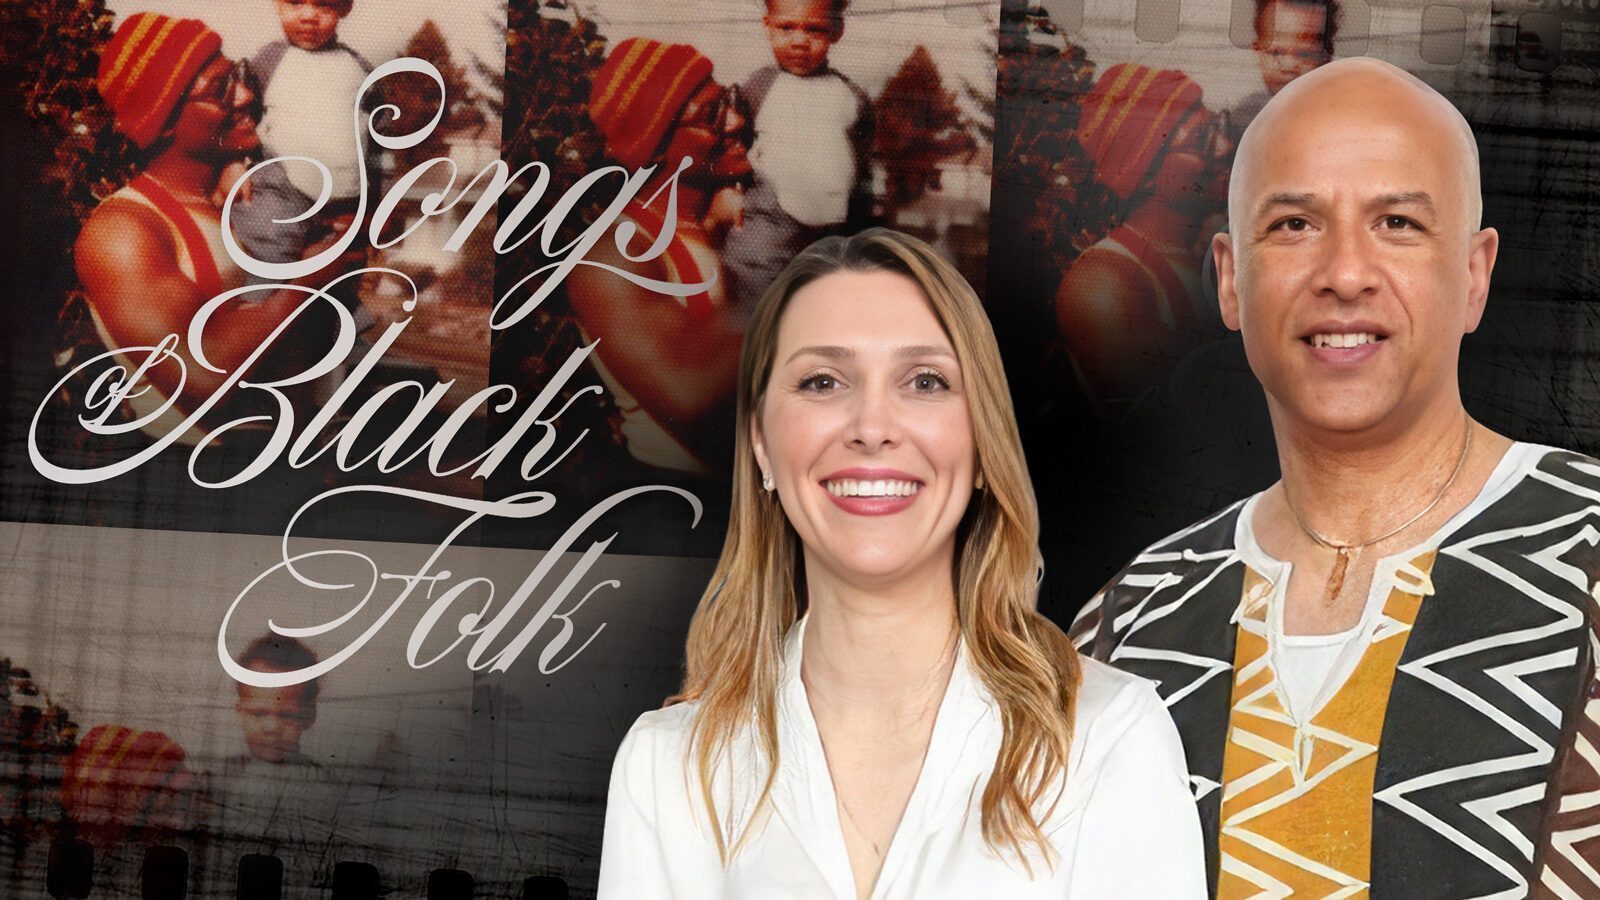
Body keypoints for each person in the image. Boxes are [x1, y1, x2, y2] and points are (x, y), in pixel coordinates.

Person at [1070, 58, 1600, 897]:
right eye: (1294, 225)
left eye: (1397, 222)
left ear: (1474, 276)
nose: (1346, 273)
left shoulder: (1588, 550)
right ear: (1229, 280)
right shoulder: (1127, 626)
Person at [597, 229, 1206, 898]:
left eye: (924, 381)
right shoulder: (666, 767)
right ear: (762, 444)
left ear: (983, 445)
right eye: (822, 381)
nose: (872, 426)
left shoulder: (1108, 736)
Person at [75, 13, 364, 443]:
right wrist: (308, 281)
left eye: (239, 76)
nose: (246, 95)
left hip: (291, 461)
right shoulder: (124, 229)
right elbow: (201, 375)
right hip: (194, 471)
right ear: (163, 121)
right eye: (220, 89)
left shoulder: (260, 199)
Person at [568, 37, 755, 473]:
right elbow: (690, 401)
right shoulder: (617, 256)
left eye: (728, 101)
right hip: (673, 498)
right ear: (652, 147)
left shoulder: (708, 234)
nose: (737, 120)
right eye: (711, 115)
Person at [1053, 64, 1230, 408]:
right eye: (1201, 140)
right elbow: (1190, 418)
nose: (1225, 146)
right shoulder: (1105, 284)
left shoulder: (1211, 256)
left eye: (1218, 126)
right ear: (1144, 175)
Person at [721, 0, 873, 307]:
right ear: (768, 26)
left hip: (830, 227)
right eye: (786, 27)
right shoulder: (758, 87)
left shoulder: (851, 96)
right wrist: (729, 191)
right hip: (768, 219)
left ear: (837, 30)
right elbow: (734, 146)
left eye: (815, 29)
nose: (800, 40)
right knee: (756, 291)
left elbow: (861, 161)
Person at [229, 0, 372, 271]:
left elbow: (380, 136)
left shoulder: (359, 68)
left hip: (344, 201)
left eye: (324, 6)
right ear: (277, 4)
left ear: (345, 8)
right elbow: (240, 118)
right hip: (280, 189)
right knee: (270, 250)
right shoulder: (267, 61)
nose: (309, 16)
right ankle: (264, 293)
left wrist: (380, 202)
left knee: (340, 269)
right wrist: (234, 162)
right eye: (295, 3)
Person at [1225, 0, 1338, 143]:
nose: (1288, 66)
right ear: (1258, 52)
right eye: (1276, 53)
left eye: (1305, 54)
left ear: (1327, 57)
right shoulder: (1245, 114)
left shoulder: (1336, 118)